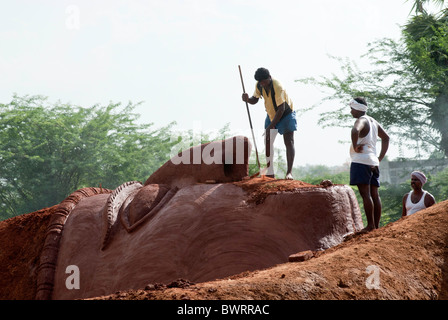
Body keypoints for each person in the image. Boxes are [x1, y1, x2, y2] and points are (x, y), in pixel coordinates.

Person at [241, 67, 297, 179]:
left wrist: (271, 126)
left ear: (269, 77)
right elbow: (255, 99)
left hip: (286, 114)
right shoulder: (259, 85)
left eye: (264, 81)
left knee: (289, 141)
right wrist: (247, 99)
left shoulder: (278, 86)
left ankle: (289, 173)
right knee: (267, 140)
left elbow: (281, 109)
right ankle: (270, 173)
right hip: (271, 115)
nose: (263, 84)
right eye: (261, 82)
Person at [349, 97, 389, 233]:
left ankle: (370, 226)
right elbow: (386, 137)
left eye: (352, 108)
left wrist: (355, 147)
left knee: (366, 195)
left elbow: (355, 131)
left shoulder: (361, 120)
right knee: (375, 195)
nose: (350, 112)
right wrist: (379, 158)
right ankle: (376, 226)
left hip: (361, 161)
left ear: (358, 109)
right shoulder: (373, 121)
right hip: (373, 161)